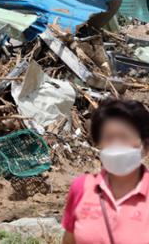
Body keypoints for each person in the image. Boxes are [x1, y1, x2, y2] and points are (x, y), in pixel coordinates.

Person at [62, 98, 149, 244]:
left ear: (145, 145)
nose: (117, 145)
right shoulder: (82, 188)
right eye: (109, 138)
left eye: (124, 137)